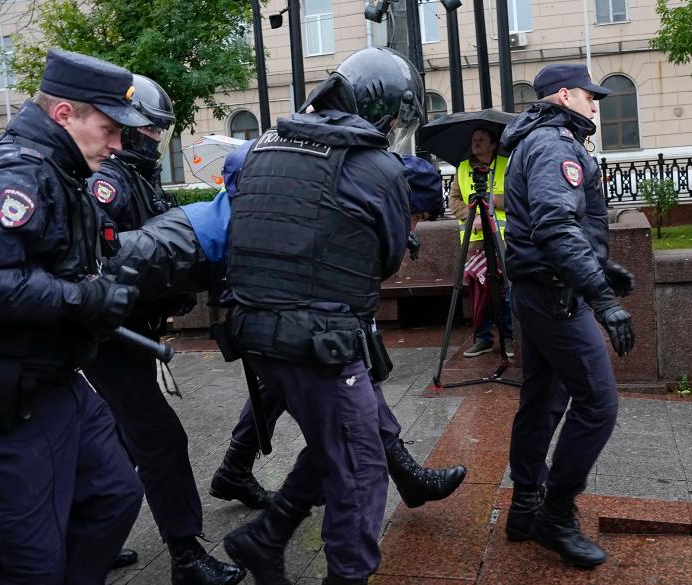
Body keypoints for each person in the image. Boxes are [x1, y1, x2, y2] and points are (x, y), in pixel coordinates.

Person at [0, 49, 149, 584]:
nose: (116, 145)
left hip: (49, 379)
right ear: (64, 114)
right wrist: (82, 300)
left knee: (113, 496)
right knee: (27, 565)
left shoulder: (56, 167)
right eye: (109, 128)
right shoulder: (14, 170)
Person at [219, 47, 425, 585]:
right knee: (359, 468)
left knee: (342, 438)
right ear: (382, 107)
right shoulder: (377, 167)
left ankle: (266, 537)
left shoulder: (262, 145)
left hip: (255, 335)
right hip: (320, 344)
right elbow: (385, 259)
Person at [209, 154, 467, 514]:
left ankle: (236, 472)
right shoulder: (339, 203)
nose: (414, 225)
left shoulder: (352, 197)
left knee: (281, 390)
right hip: (275, 311)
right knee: (349, 400)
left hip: (277, 315)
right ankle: (403, 475)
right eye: (416, 215)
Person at [84, 74, 244, 585]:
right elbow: (102, 260)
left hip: (131, 332)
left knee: (116, 441)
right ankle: (185, 555)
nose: (157, 140)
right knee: (160, 442)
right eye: (152, 131)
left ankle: (89, 541)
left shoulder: (138, 178)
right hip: (111, 337)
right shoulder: (105, 183)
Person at [499, 63, 636, 568]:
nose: (596, 103)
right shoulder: (555, 144)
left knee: (541, 401)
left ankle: (524, 507)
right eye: (588, 95)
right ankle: (555, 516)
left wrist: (600, 266)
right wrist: (601, 297)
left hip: (541, 289)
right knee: (597, 403)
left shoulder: (538, 139)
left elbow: (558, 225)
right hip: (555, 295)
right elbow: (555, 226)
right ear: (563, 96)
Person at [449, 128, 514, 358]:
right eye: (474, 139)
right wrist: (470, 215)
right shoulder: (463, 167)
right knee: (478, 291)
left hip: (504, 241)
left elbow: (520, 196)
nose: (475, 143)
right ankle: (483, 339)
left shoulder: (508, 165)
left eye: (481, 140)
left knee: (507, 290)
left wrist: (495, 201)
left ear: (493, 144)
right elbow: (454, 200)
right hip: (475, 242)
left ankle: (510, 337)